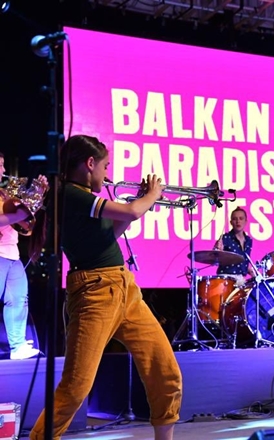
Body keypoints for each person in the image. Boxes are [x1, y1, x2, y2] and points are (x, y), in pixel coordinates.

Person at [30, 135, 182, 440]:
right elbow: (132, 212)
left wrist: (140, 200)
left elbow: (112, 232)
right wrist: (151, 195)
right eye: (105, 166)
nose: (107, 172)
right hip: (94, 293)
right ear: (90, 163)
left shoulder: (84, 196)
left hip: (124, 288)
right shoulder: (70, 193)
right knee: (76, 387)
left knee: (165, 372)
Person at [0, 152, 46, 360]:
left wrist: (38, 194)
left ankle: (17, 346)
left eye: (3, 165)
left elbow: (25, 224)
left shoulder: (4, 194)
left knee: (19, 300)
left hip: (12, 254)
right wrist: (19, 213)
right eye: (0, 165)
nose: (3, 170)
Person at [213, 206, 255, 280]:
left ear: (246, 221)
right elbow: (214, 257)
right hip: (226, 278)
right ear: (231, 222)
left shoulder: (249, 240)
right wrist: (218, 251)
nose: (238, 221)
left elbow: (244, 262)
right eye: (235, 219)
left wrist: (254, 274)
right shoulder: (225, 238)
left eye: (241, 218)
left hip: (241, 278)